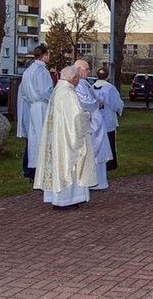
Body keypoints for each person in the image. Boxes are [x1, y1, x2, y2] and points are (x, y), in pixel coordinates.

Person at [34, 65, 97, 210]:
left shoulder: (58, 90)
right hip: (67, 138)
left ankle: (64, 198)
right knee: (69, 165)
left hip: (58, 136)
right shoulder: (68, 93)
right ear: (74, 78)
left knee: (59, 164)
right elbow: (76, 116)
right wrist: (87, 115)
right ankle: (66, 199)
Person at [16, 44, 53, 182]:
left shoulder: (28, 71)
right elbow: (46, 91)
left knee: (33, 138)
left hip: (32, 107)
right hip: (42, 106)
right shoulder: (41, 71)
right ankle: (41, 168)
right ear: (45, 55)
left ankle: (32, 169)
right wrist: (53, 100)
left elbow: (24, 93)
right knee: (43, 137)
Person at [74, 59, 112, 190]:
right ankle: (92, 181)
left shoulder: (84, 83)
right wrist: (97, 103)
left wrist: (97, 101)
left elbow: (92, 98)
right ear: (78, 69)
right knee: (92, 151)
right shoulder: (77, 84)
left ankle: (100, 180)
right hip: (89, 122)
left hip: (96, 120)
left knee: (100, 151)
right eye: (86, 69)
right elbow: (84, 102)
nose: (89, 71)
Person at [93, 67, 124, 171]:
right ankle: (110, 164)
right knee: (110, 141)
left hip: (96, 120)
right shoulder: (110, 88)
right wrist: (120, 108)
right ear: (108, 76)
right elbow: (116, 104)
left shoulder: (92, 87)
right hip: (108, 119)